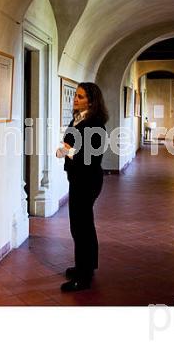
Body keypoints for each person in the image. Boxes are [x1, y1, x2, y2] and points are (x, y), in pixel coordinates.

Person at [56, 82, 108, 292]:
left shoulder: (95, 124)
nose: (75, 99)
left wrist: (66, 152)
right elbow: (70, 140)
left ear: (92, 101)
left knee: (81, 227)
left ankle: (83, 277)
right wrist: (68, 148)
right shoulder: (79, 119)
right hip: (78, 178)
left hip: (87, 180)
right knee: (82, 225)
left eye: (81, 96)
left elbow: (90, 158)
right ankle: (86, 266)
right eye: (75, 95)